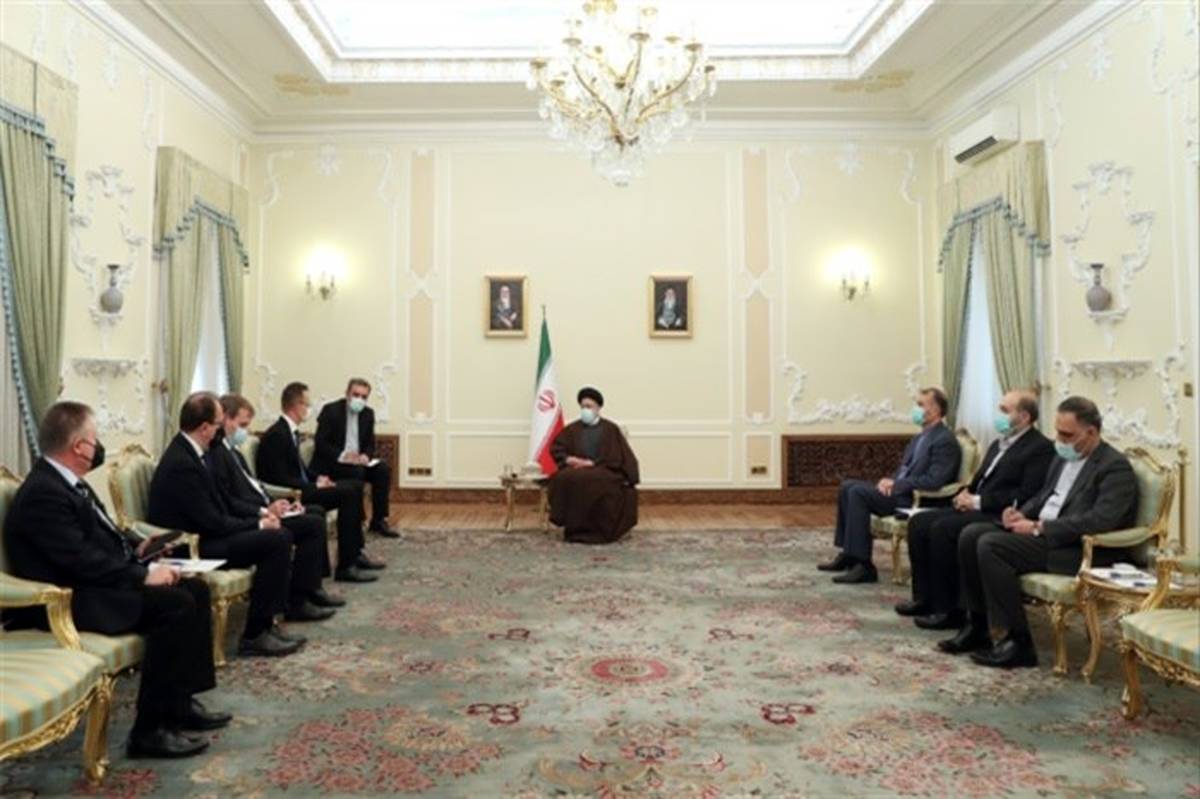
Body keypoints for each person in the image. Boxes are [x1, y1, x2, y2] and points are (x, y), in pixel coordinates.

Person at [3, 401, 229, 758]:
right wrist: (143, 575)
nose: (98, 446)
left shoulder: (68, 482)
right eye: (95, 439)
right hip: (68, 600)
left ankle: (180, 703)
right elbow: (79, 560)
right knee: (176, 604)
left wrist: (138, 548)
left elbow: (101, 535)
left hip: (94, 583)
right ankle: (150, 731)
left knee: (195, 588)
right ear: (80, 446)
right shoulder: (43, 493)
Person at [942, 396, 1139, 668]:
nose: (1059, 439)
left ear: (1091, 432)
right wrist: (1020, 513)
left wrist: (1039, 527)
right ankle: (977, 625)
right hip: (1044, 535)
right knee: (970, 535)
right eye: (1057, 431)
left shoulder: (1114, 467)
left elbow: (1100, 520)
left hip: (1076, 548)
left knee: (991, 545)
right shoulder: (1062, 456)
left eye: (1067, 434)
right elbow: (1044, 496)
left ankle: (1018, 643)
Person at [148, 392, 303, 658]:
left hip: (208, 534)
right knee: (276, 540)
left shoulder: (196, 453)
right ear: (204, 428)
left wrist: (260, 520)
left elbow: (223, 505)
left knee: (279, 535)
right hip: (192, 547)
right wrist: (259, 525)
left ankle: (266, 624)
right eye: (219, 424)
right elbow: (212, 522)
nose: (221, 431)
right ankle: (255, 634)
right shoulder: (183, 463)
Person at [896, 390, 1055, 630]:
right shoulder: (998, 443)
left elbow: (1025, 494)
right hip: (976, 506)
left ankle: (950, 609)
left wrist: (978, 501)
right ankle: (925, 598)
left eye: (1004, 410)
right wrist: (964, 494)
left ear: (1024, 417)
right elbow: (979, 480)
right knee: (919, 523)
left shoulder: (1039, 448)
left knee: (942, 529)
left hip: (999, 513)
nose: (998, 415)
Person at [209, 393, 344, 617]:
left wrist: (278, 505)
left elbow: (254, 487)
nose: (246, 431)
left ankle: (310, 589)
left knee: (314, 513)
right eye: (243, 425)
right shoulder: (217, 454)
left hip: (262, 509)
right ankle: (298, 601)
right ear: (226, 420)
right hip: (248, 519)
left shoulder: (233, 452)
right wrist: (264, 512)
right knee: (311, 524)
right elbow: (230, 499)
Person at [818, 387, 961, 584]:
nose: (916, 409)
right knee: (847, 486)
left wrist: (898, 484)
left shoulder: (945, 440)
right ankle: (849, 554)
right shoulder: (920, 437)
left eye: (920, 405)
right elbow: (905, 469)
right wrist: (889, 481)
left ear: (935, 410)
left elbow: (935, 480)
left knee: (858, 493)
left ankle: (864, 566)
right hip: (900, 491)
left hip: (914, 500)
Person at [256, 381, 383, 583]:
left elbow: (300, 468)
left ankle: (354, 553)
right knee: (349, 492)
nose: (309, 409)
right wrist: (313, 485)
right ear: (296, 406)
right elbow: (279, 477)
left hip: (304, 487)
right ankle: (346, 565)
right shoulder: (277, 435)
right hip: (292, 494)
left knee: (354, 487)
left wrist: (317, 478)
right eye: (307, 404)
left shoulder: (289, 431)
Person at [547, 387, 640, 544]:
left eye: (589, 406)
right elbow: (557, 448)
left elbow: (617, 457)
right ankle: (574, 529)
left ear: (598, 408)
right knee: (563, 478)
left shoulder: (610, 429)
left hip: (604, 469)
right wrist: (569, 459)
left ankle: (600, 530)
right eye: (583, 407)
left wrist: (593, 463)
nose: (585, 410)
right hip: (576, 470)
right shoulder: (572, 429)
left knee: (594, 480)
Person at [311, 378, 400, 538]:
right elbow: (321, 443)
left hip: (358, 462)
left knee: (382, 470)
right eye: (356, 395)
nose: (359, 399)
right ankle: (357, 519)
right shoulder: (331, 411)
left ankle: (379, 521)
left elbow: (370, 443)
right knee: (357, 472)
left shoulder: (368, 414)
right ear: (347, 394)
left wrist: (366, 455)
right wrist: (343, 455)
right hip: (334, 463)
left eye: (364, 397)